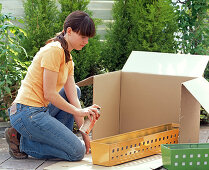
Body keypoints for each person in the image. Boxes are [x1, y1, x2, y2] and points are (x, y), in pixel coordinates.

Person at [5, 10, 100, 161]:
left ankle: (58, 142)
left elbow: (73, 98)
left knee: (74, 90)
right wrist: (80, 111)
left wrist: (85, 135)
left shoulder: (68, 59)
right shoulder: (55, 50)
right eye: (83, 36)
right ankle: (22, 141)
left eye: (88, 38)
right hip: (27, 112)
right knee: (76, 152)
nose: (86, 41)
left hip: (41, 110)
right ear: (69, 31)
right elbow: (49, 93)